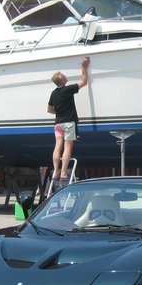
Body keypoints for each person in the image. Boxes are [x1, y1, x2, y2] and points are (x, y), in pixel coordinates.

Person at [47, 56, 90, 187]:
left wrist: (59, 112)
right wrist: (83, 67)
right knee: (67, 148)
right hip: (69, 123)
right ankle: (64, 172)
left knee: (57, 147)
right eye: (63, 75)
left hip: (58, 124)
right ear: (61, 80)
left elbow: (49, 109)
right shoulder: (68, 89)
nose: (65, 76)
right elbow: (84, 81)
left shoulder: (53, 93)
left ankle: (56, 171)